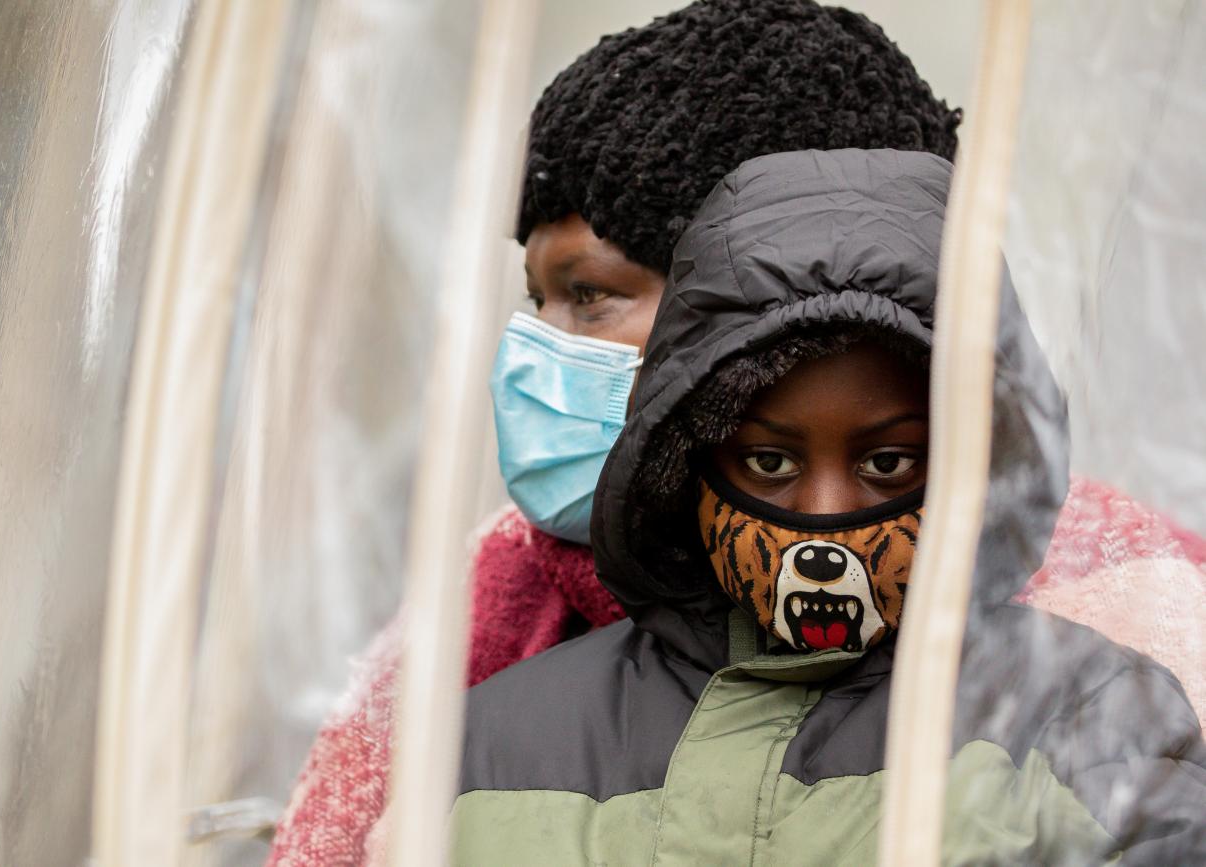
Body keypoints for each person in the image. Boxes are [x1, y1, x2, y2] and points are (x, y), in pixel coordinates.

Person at [268, 2, 1206, 863]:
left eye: (591, 297)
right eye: (540, 298)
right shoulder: (486, 625)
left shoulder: (1106, 640)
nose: (538, 353)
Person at [452, 148, 1206, 864]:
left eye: (888, 463)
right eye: (769, 462)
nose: (826, 511)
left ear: (976, 466)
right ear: (686, 462)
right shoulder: (490, 746)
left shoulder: (1091, 717)